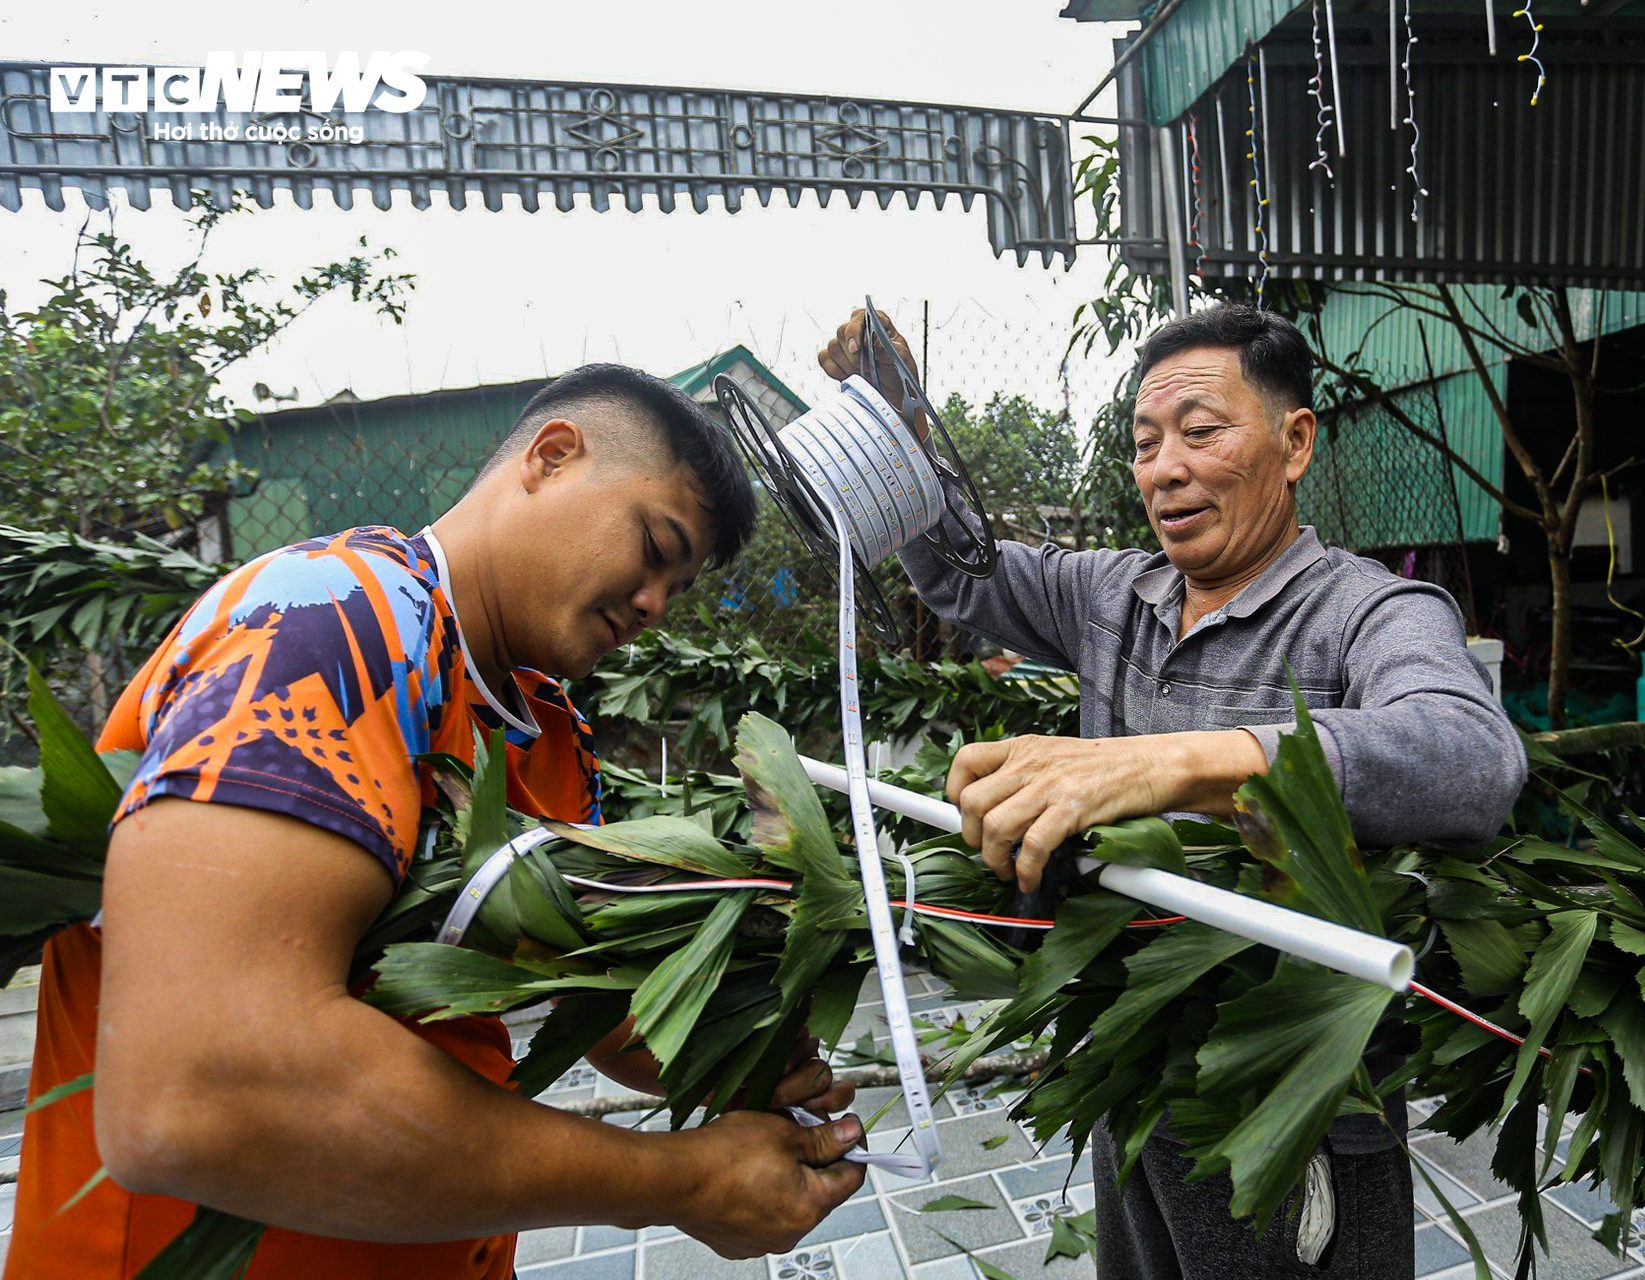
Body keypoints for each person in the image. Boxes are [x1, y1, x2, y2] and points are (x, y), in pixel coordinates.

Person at [8, 364, 867, 1280]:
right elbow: (203, 1090)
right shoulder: (331, 625)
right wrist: (677, 1181)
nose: (654, 605)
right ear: (552, 455)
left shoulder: (546, 735)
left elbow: (596, 1012)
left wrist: (741, 1055)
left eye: (679, 587)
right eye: (655, 545)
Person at [820, 304, 1528, 1279]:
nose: (1163, 468)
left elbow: (1470, 754)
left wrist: (1175, 761)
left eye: (1201, 431)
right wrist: (900, 436)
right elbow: (962, 573)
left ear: (1295, 441)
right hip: (1135, 1065)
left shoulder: (1370, 611)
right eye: (1146, 442)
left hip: (1297, 1117)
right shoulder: (1113, 593)